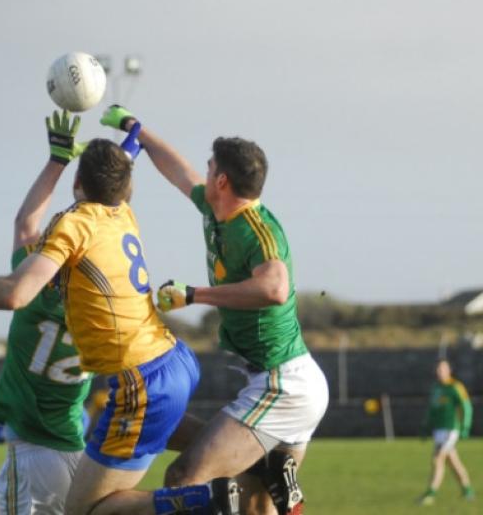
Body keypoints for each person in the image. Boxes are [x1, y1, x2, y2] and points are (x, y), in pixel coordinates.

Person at [0, 116, 235, 514]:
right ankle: (251, 458)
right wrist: (123, 152)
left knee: (88, 512)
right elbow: (106, 194)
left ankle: (196, 502)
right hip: (129, 391)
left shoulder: (44, 282)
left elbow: (22, 248)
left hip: (40, 442)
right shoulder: (119, 220)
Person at [101, 105, 329, 515]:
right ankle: (269, 472)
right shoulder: (215, 209)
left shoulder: (257, 230)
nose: (203, 173)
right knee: (256, 505)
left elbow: (275, 288)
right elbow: (179, 171)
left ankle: (265, 468)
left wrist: (193, 295)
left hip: (283, 385)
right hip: (281, 381)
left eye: (210, 169)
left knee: (183, 479)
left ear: (222, 180)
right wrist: (138, 131)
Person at [0, 110, 93, 514]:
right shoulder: (102, 302)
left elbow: (25, 225)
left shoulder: (38, 294)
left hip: (34, 451)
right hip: (73, 446)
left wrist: (57, 161)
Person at [418, 358, 475, 506]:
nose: (440, 372)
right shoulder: (436, 388)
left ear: (449, 370)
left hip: (451, 430)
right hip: (439, 431)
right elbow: (432, 410)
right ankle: (467, 490)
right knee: (453, 462)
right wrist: (426, 426)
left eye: (442, 369)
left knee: (437, 459)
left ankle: (430, 493)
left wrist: (465, 426)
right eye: (438, 369)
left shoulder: (455, 387)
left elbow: (466, 406)